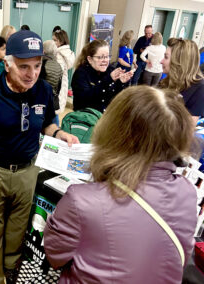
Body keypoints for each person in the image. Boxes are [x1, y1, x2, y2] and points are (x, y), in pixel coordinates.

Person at [0, 30, 79, 284]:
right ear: (7, 63)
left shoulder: (42, 90)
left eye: (37, 65)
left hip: (27, 173)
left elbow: (46, 124)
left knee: (16, 234)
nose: (32, 74)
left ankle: (11, 276)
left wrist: (60, 133)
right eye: (24, 67)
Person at [44, 86, 197, 284]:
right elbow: (177, 259)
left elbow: (55, 255)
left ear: (114, 132)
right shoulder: (188, 192)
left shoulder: (82, 200)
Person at [71, 39, 133, 113]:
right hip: (85, 119)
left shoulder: (110, 70)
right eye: (100, 57)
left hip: (105, 119)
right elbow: (85, 100)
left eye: (107, 57)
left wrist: (120, 83)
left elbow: (113, 100)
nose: (105, 60)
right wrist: (108, 80)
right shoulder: (81, 73)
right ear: (90, 59)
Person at [160, 38, 204, 123]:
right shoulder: (167, 79)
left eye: (166, 57)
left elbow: (187, 129)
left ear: (179, 61)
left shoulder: (199, 87)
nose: (161, 61)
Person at [39, 40, 63, 125]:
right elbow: (59, 86)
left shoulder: (42, 64)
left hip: (43, 99)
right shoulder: (58, 65)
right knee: (54, 121)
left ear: (44, 51)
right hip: (54, 99)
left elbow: (39, 84)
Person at [52, 29, 75, 114]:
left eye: (55, 40)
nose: (53, 42)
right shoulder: (68, 53)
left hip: (57, 83)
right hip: (63, 82)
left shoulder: (58, 54)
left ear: (61, 41)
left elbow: (56, 71)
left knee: (54, 108)